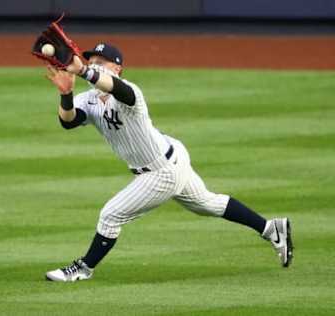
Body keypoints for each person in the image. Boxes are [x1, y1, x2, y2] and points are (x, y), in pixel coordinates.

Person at [44, 43, 293, 282]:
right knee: (207, 203)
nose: (94, 65)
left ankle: (84, 268)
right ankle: (272, 229)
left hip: (160, 171)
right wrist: (66, 94)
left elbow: (118, 90)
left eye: (101, 62)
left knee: (110, 215)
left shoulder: (129, 92)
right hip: (171, 154)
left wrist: (85, 70)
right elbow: (69, 121)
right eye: (91, 61)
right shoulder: (87, 99)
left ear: (117, 69)